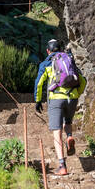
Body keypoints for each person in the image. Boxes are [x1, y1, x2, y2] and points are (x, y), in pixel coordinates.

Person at [34, 40, 86, 177]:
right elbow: (83, 80)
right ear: (60, 49)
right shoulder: (68, 59)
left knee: (57, 132)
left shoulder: (46, 63)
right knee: (67, 121)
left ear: (48, 51)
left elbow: (39, 83)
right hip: (72, 98)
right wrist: (76, 94)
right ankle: (69, 136)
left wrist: (38, 100)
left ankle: (62, 166)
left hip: (56, 99)